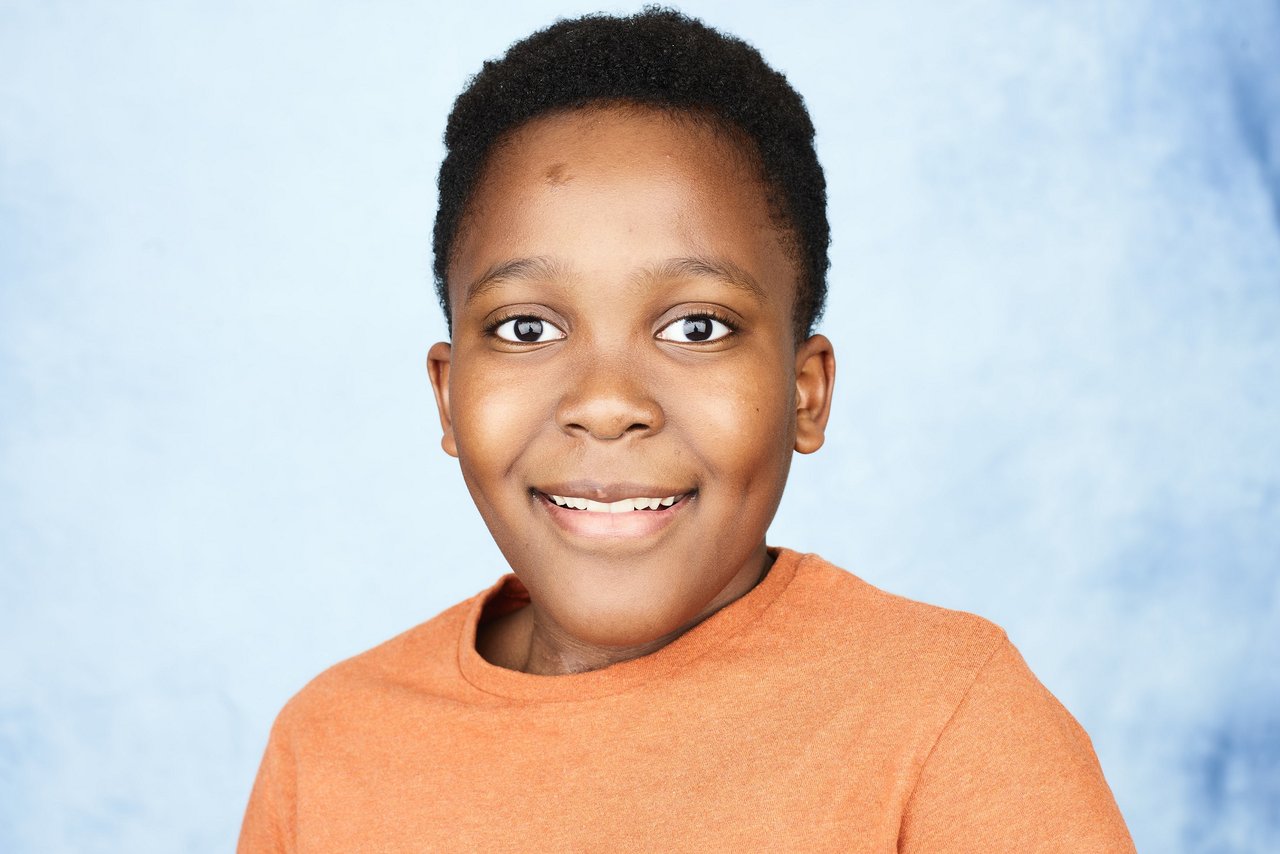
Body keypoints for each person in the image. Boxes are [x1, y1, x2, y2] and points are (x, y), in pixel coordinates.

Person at [238, 8, 1136, 851]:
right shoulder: (331, 746)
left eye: (695, 328)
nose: (605, 400)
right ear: (447, 396)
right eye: (527, 329)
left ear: (805, 393)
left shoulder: (949, 724)